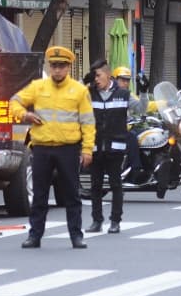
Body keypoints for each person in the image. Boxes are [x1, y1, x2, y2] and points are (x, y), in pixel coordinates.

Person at [10, 45, 95, 249]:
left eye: (62, 66)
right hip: (42, 148)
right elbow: (14, 101)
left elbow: (88, 122)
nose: (58, 70)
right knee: (39, 195)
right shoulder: (38, 87)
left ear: (68, 67)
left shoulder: (79, 91)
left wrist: (87, 150)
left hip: (68, 149)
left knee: (72, 195)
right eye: (54, 65)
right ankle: (35, 236)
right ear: (50, 66)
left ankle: (76, 236)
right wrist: (25, 115)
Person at [87, 63, 130, 234]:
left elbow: (140, 108)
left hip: (115, 147)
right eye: (94, 77)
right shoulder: (90, 94)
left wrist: (143, 92)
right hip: (96, 147)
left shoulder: (123, 94)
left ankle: (115, 221)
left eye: (98, 76)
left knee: (115, 185)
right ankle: (96, 221)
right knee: (95, 185)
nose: (96, 80)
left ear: (107, 75)